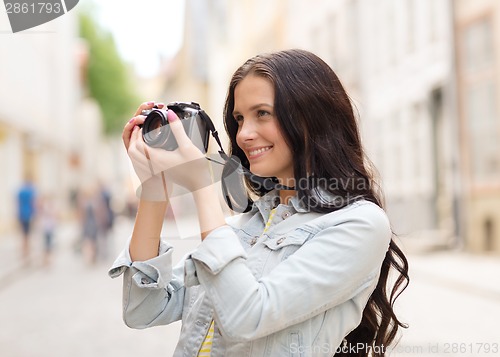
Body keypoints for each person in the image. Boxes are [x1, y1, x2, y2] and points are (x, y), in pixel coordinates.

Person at [109, 49, 409, 356]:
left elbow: (246, 318)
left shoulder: (359, 224)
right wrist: (154, 189)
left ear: (312, 118)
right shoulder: (242, 227)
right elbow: (143, 310)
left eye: (262, 113)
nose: (243, 135)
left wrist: (201, 184)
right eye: (239, 119)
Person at [17, 179, 36, 261]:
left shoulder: (20, 192)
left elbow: (18, 202)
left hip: (21, 214)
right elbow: (33, 203)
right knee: (28, 234)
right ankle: (27, 251)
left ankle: (24, 251)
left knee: (23, 234)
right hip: (28, 215)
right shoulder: (30, 192)